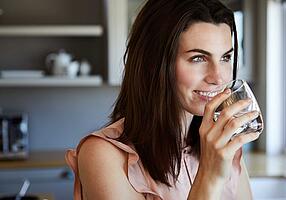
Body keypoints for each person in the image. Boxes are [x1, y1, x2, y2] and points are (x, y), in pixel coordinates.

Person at [66, 0, 261, 199]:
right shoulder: (102, 155)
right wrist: (209, 175)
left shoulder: (224, 147)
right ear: (154, 63)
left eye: (225, 58)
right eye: (198, 58)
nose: (218, 77)